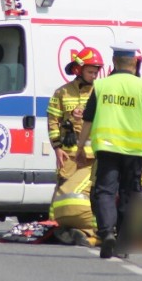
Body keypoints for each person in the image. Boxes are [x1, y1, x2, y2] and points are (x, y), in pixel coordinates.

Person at [75, 43, 142, 259]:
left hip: (107, 148)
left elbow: (87, 120)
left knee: (105, 192)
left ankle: (107, 232)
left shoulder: (101, 86)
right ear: (134, 63)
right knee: (129, 195)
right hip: (134, 151)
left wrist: (80, 147)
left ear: (114, 63)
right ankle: (123, 243)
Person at [47, 47, 104, 245]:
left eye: (96, 71)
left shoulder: (100, 92)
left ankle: (94, 229)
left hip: (92, 156)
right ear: (79, 70)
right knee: (63, 188)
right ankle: (55, 226)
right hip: (69, 154)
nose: (94, 75)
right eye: (91, 71)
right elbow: (53, 120)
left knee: (94, 193)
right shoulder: (62, 93)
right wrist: (57, 148)